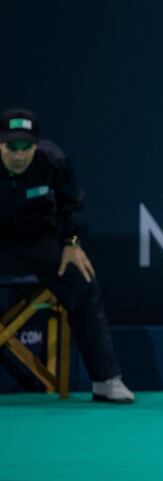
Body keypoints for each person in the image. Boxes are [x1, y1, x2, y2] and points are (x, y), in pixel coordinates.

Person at [0, 108, 135, 404]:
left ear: (36, 145)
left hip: (37, 238)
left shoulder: (54, 161)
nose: (19, 155)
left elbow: (71, 205)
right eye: (12, 147)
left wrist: (72, 243)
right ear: (0, 144)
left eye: (26, 148)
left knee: (83, 283)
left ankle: (105, 380)